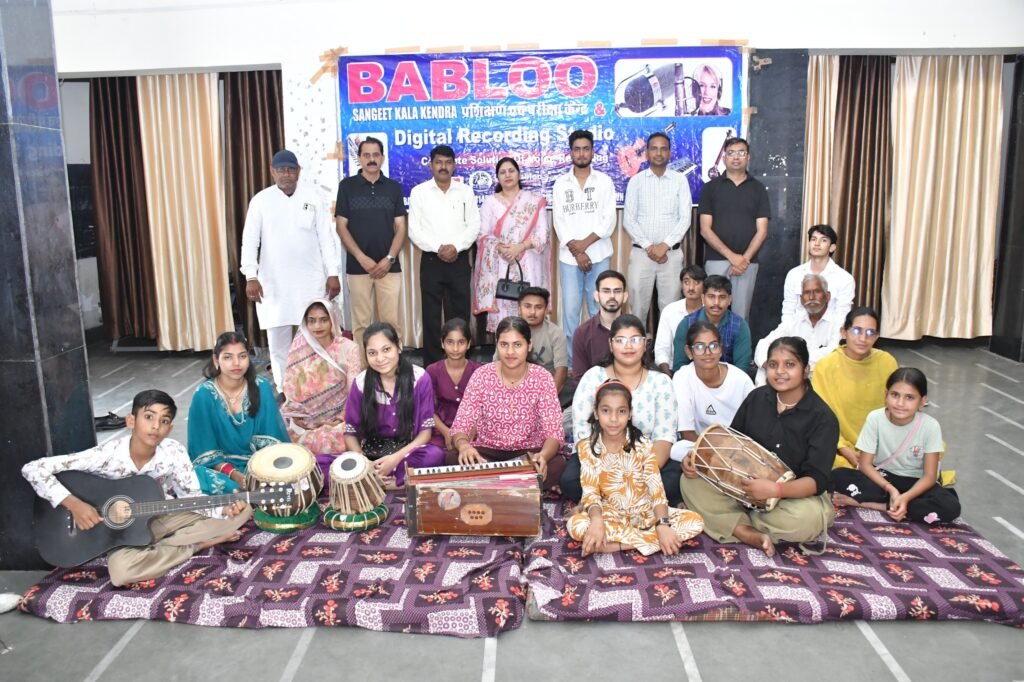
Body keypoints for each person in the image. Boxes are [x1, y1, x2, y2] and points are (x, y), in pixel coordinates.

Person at [22, 390, 250, 585]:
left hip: (160, 515)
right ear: (131, 421)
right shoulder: (107, 456)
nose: (155, 426)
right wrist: (75, 505)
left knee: (243, 511)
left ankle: (161, 548)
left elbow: (191, 497)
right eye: (149, 417)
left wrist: (223, 510)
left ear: (169, 428)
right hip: (116, 533)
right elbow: (33, 469)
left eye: (164, 421)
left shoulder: (173, 451)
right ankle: (193, 546)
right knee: (121, 573)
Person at [680, 337, 839, 557]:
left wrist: (776, 490)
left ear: (805, 370)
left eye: (790, 364)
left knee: (809, 519)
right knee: (689, 481)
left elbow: (817, 480)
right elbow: (730, 444)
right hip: (742, 487)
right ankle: (746, 531)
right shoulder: (757, 398)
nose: (780, 371)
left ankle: (733, 522)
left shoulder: (822, 418)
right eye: (773, 364)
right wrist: (695, 460)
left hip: (791, 498)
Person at [241, 149, 340, 394]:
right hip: (273, 283)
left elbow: (326, 239)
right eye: (281, 170)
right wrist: (251, 276)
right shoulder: (260, 201)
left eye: (291, 169)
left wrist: (333, 272)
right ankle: (285, 390)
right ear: (272, 172)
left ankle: (317, 387)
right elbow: (250, 241)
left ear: (298, 171)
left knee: (315, 335)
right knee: (278, 342)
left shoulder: (313, 196)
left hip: (310, 280)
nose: (286, 174)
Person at [568, 381, 704, 557]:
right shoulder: (587, 447)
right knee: (576, 525)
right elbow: (591, 493)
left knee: (695, 521)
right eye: (606, 411)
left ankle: (613, 545)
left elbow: (656, 490)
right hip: (610, 515)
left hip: (646, 514)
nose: (614, 418)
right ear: (596, 412)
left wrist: (662, 524)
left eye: (621, 411)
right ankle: (645, 542)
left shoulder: (643, 445)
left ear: (630, 414)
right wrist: (596, 520)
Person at [567, 315, 681, 505]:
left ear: (645, 344)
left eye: (635, 339)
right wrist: (607, 474)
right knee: (570, 480)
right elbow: (582, 432)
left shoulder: (661, 382)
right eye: (620, 340)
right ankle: (632, 499)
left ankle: (608, 498)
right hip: (599, 458)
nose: (628, 346)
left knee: (674, 480)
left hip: (644, 461)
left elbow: (664, 437)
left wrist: (635, 476)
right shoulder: (593, 377)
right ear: (611, 345)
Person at [833, 368, 960, 524]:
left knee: (950, 507)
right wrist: (891, 489)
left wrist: (905, 497)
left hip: (915, 483)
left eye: (909, 397)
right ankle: (899, 504)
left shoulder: (930, 426)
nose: (900, 403)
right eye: (895, 395)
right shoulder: (875, 418)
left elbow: (929, 476)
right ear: (886, 395)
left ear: (922, 401)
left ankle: (880, 505)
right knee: (836, 476)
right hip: (882, 479)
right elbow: (865, 465)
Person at [449, 316, 565, 487]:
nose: (510, 352)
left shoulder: (542, 378)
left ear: (529, 345)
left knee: (557, 464)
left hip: (529, 454)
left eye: (517, 345)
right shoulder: (482, 375)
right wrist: (464, 446)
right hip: (487, 454)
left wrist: (543, 456)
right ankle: (516, 485)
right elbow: (461, 424)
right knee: (453, 457)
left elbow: (554, 432)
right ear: (497, 345)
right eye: (504, 345)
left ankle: (491, 485)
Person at [344, 322, 445, 488]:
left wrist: (395, 459)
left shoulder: (419, 378)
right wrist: (365, 465)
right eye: (372, 353)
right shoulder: (360, 383)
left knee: (434, 456)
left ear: (399, 346)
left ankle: (381, 482)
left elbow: (425, 433)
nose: (380, 358)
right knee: (323, 464)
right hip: (371, 456)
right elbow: (350, 433)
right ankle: (387, 480)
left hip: (407, 453)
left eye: (386, 349)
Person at [187, 332, 290, 494]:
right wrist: (234, 475)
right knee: (198, 477)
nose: (236, 363)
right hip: (221, 470)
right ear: (216, 360)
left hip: (259, 463)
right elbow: (204, 453)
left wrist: (257, 474)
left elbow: (272, 441)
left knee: (289, 474)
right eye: (228, 357)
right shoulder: (204, 395)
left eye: (242, 356)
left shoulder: (261, 387)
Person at [408, 145, 480, 365]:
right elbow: (414, 230)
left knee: (459, 314)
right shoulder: (419, 192)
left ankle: (461, 362)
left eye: (448, 162)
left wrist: (455, 247)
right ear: (431, 165)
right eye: (438, 162)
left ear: (454, 165)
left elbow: (474, 226)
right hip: (431, 260)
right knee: (430, 316)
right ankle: (432, 365)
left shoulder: (465, 191)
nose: (443, 167)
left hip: (459, 260)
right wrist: (439, 248)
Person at [551, 130, 617, 366]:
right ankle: (572, 364)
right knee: (570, 313)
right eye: (577, 149)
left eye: (586, 149)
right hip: (569, 260)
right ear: (571, 153)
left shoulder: (604, 182)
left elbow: (608, 221)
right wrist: (577, 252)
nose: (581, 153)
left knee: (600, 310)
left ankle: (603, 361)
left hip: (599, 255)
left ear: (592, 152)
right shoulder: (561, 184)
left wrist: (583, 247)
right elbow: (559, 221)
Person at [335, 136, 407, 347]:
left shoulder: (393, 187)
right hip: (358, 267)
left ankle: (393, 365)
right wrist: (361, 258)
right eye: (366, 155)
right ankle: (362, 366)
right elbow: (341, 226)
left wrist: (389, 258)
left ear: (382, 158)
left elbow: (401, 227)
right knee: (361, 325)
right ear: (359, 158)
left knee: (391, 323)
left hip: (389, 267)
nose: (371, 159)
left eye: (376, 155)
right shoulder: (347, 186)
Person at [811, 306, 899, 469]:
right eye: (857, 330)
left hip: (880, 443)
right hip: (837, 446)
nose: (863, 339)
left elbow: (895, 409)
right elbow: (820, 417)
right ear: (844, 332)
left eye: (870, 333)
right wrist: (843, 449)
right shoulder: (826, 366)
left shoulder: (887, 362)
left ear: (877, 337)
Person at [473, 157, 551, 333]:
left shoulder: (534, 200)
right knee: (504, 320)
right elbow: (482, 235)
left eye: (511, 171)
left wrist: (520, 247)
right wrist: (501, 248)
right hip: (501, 265)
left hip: (528, 263)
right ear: (497, 177)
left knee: (530, 311)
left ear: (519, 174)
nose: (507, 175)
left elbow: (542, 234)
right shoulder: (490, 202)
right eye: (502, 172)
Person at [622, 132, 693, 324]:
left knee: (671, 311)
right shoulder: (636, 181)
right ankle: (637, 344)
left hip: (671, 255)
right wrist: (649, 247)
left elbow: (685, 219)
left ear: (669, 153)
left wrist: (665, 245)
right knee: (637, 308)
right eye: (654, 149)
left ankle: (668, 345)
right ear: (646, 153)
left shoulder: (680, 181)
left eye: (663, 149)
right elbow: (629, 220)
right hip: (641, 255)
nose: (659, 153)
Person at [698, 137, 770, 320]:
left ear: (748, 157)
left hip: (747, 264)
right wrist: (732, 257)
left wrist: (743, 260)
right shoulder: (710, 188)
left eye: (741, 153)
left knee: (740, 316)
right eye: (731, 153)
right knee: (712, 315)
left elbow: (762, 230)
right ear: (724, 158)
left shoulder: (758, 189)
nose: (736, 157)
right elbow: (705, 229)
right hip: (716, 260)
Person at [281, 299, 363, 454]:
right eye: (312, 321)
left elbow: (354, 391)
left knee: (343, 436)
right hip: (305, 421)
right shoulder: (299, 350)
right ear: (306, 323)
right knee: (283, 438)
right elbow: (290, 388)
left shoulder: (348, 348)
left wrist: (339, 419)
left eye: (323, 320)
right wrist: (298, 417)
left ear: (333, 320)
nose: (317, 326)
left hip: (340, 418)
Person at [670, 321, 754, 460]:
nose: (708, 352)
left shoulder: (741, 380)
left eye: (713, 346)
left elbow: (753, 428)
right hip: (701, 446)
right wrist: (714, 455)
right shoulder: (682, 377)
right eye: (699, 347)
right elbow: (687, 432)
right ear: (689, 352)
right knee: (677, 450)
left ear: (721, 349)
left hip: (737, 448)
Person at [754, 274, 841, 385]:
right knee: (765, 370)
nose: (811, 297)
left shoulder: (839, 323)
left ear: (827, 296)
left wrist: (791, 363)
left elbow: (833, 354)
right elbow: (763, 344)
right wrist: (771, 364)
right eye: (807, 292)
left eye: (817, 291)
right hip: (791, 373)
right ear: (801, 299)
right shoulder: (794, 321)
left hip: (822, 377)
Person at [492, 287, 568, 395]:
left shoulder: (556, 334)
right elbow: (496, 365)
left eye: (538, 307)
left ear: (546, 310)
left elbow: (561, 371)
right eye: (527, 306)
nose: (532, 312)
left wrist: (548, 398)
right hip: (511, 385)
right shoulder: (507, 330)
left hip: (545, 388)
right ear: (519, 309)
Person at [671, 275, 752, 373]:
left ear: (730, 300)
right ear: (703, 298)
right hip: (693, 379)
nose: (716, 303)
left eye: (722, 297)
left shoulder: (740, 326)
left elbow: (742, 368)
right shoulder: (686, 324)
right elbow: (680, 366)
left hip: (729, 380)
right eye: (711, 297)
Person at [426, 318, 482, 454]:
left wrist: (470, 433)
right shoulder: (432, 371)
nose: (455, 348)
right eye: (450, 342)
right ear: (442, 343)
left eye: (461, 342)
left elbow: (484, 409)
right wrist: (446, 432)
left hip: (473, 433)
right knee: (434, 456)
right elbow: (428, 409)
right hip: (440, 433)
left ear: (468, 344)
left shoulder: (479, 371)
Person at [780, 224, 855, 323]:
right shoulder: (794, 275)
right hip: (797, 330)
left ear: (832, 247)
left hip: (830, 331)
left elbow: (842, 316)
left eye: (823, 240)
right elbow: (788, 311)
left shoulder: (844, 278)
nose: (817, 243)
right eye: (813, 239)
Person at [571, 270, 628, 384]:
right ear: (597, 296)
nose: (612, 296)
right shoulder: (582, 333)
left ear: (625, 296)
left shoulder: (634, 330)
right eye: (606, 291)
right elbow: (580, 379)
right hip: (594, 392)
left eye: (617, 291)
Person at [655, 264, 706, 374]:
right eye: (686, 282)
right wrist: (668, 375)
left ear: (704, 286)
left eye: (696, 282)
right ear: (681, 285)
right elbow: (662, 349)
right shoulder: (670, 311)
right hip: (675, 369)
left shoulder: (710, 311)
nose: (691, 287)